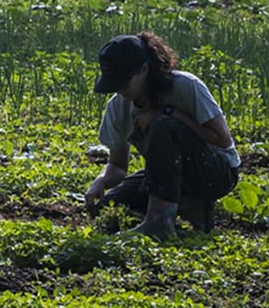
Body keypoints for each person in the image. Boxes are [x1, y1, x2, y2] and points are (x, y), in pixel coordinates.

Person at [84, 32, 239, 238]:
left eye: (124, 81)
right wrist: (101, 181)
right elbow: (118, 166)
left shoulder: (185, 86)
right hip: (167, 175)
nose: (119, 89)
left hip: (215, 172)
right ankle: (183, 206)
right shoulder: (117, 107)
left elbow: (222, 139)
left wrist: (171, 114)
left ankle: (161, 222)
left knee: (163, 125)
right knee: (110, 205)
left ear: (144, 69)